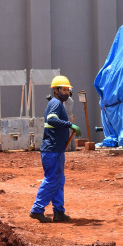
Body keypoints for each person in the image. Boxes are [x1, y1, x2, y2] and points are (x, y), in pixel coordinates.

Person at [30, 75, 80, 223]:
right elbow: (51, 119)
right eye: (64, 89)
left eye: (68, 90)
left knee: (59, 180)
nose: (67, 92)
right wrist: (69, 125)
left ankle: (59, 212)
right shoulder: (56, 104)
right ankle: (37, 209)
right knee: (52, 179)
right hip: (52, 150)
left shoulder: (57, 103)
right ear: (56, 91)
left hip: (56, 150)